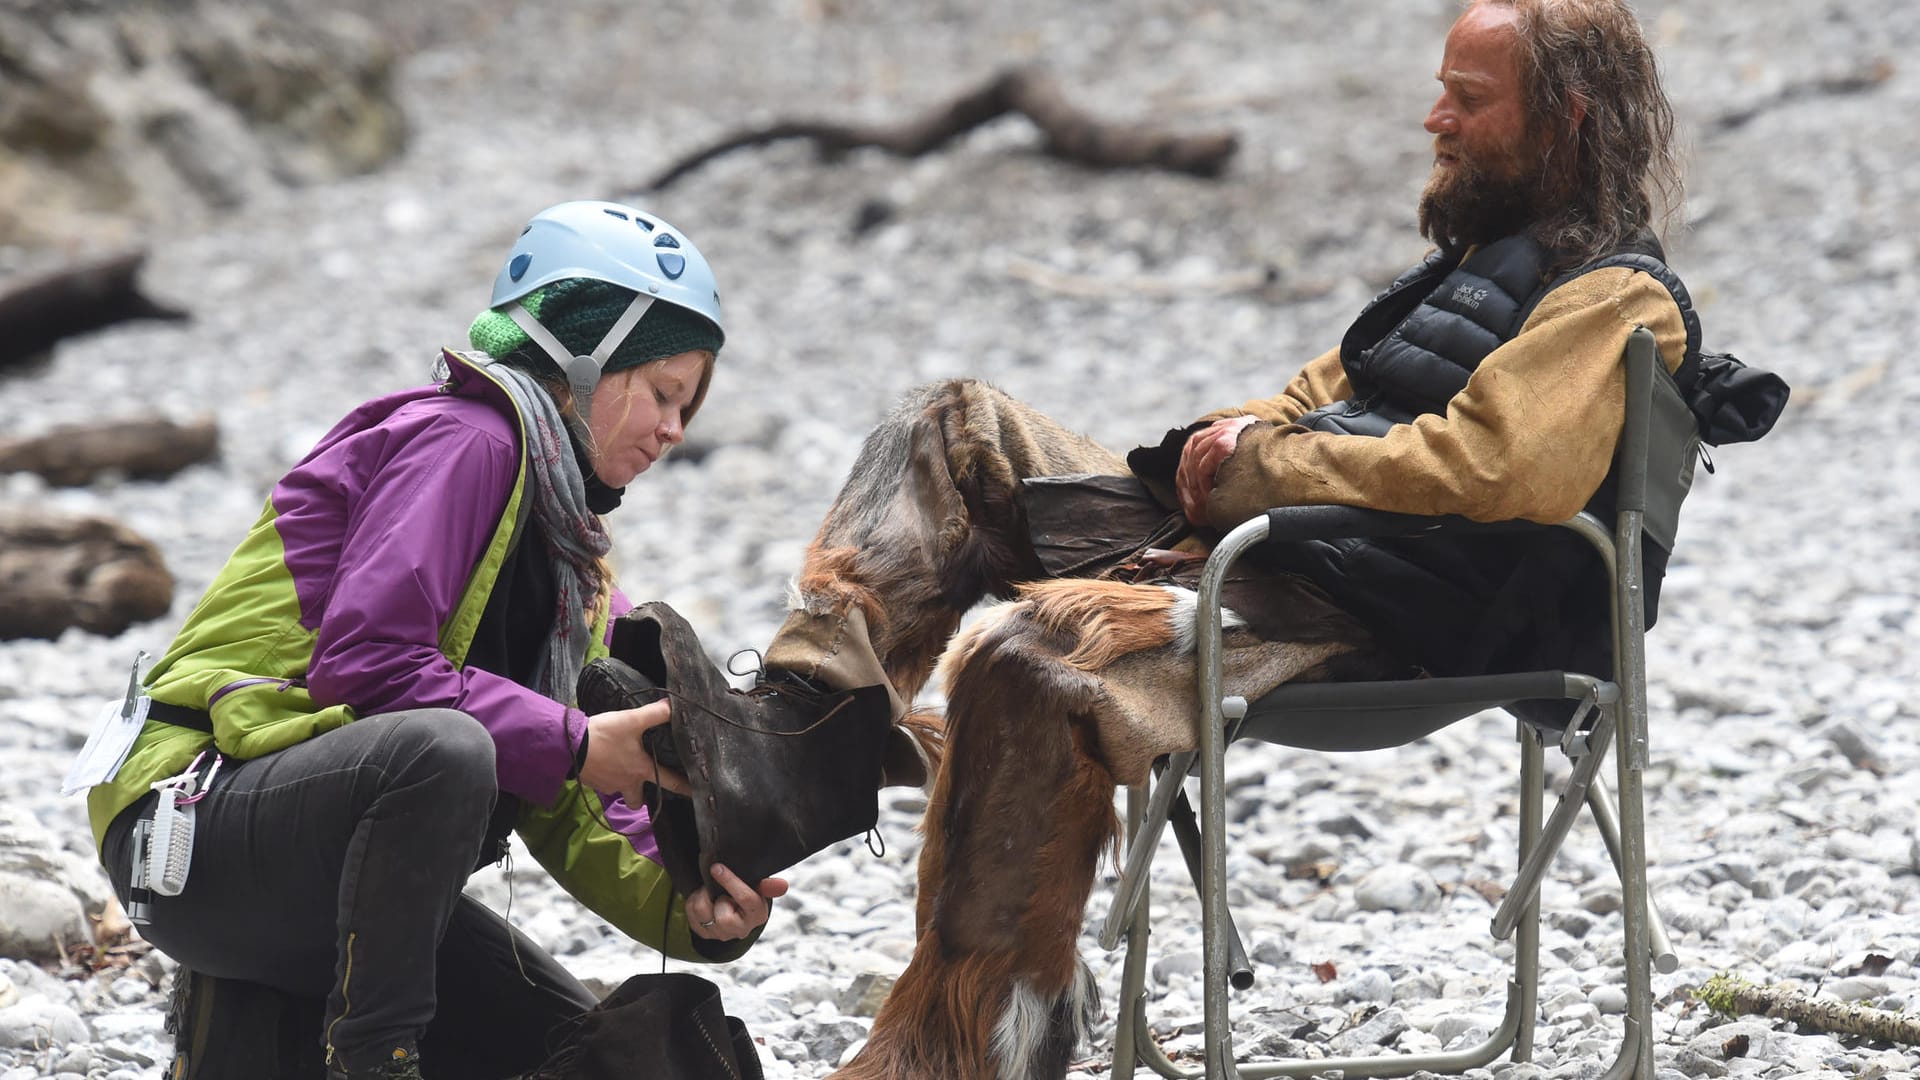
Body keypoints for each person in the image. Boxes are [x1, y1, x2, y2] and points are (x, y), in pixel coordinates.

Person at [622, 1, 1705, 1077]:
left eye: (1467, 99)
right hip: (1281, 544)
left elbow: (1499, 469)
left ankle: (973, 1034)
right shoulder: (1468, 271)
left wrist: (1262, 473)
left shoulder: (1616, 300)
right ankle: (790, 741)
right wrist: (1219, 453)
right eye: (1442, 93)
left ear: (1564, 116)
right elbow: (1308, 401)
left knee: (1031, 657)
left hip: (1375, 614)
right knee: (954, 432)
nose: (1436, 120)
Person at [83, 201, 786, 1080]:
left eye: (687, 405)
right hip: (190, 828)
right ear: (582, 360)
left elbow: (569, 793)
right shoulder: (466, 440)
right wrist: (571, 744)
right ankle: (372, 1061)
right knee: (446, 749)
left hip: (343, 892)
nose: (676, 430)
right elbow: (370, 666)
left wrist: (696, 901)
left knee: (609, 1062)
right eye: (663, 392)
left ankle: (262, 1022)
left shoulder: (573, 570)